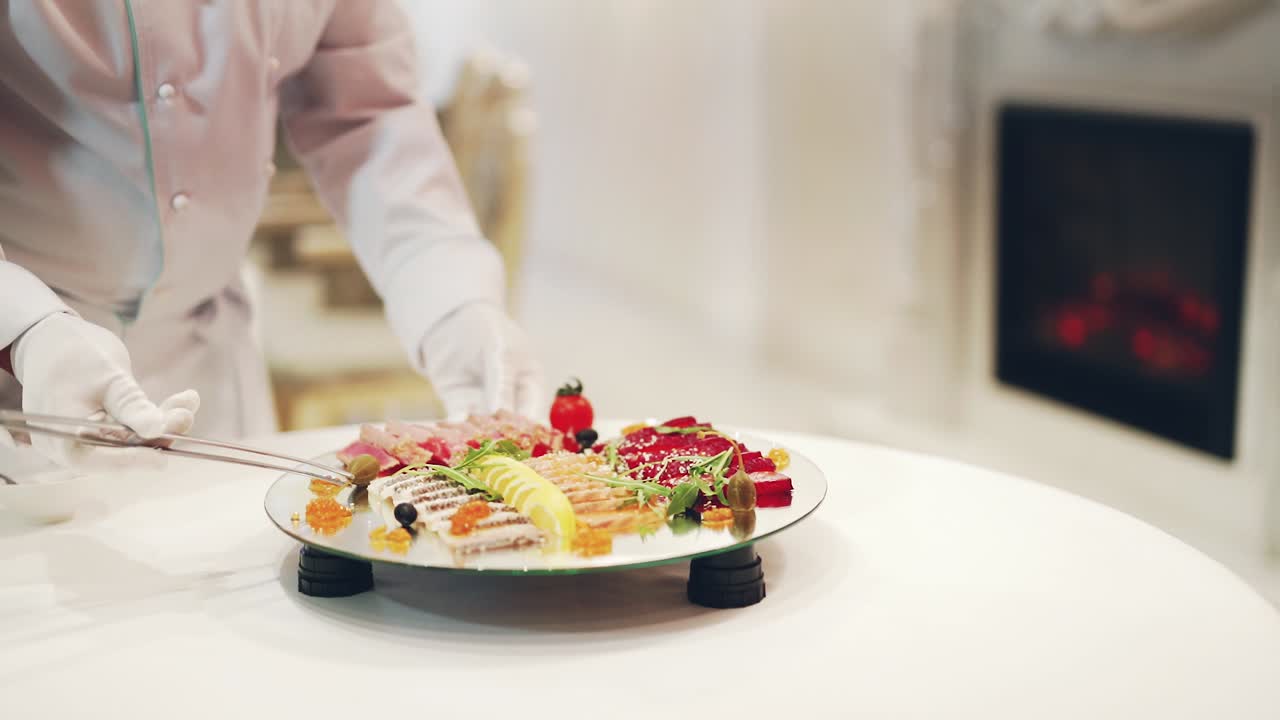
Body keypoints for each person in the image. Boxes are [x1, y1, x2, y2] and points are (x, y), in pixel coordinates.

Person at [0, 1, 544, 472]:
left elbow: (365, 114)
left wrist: (450, 298)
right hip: (25, 378)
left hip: (208, 367)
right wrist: (22, 326)